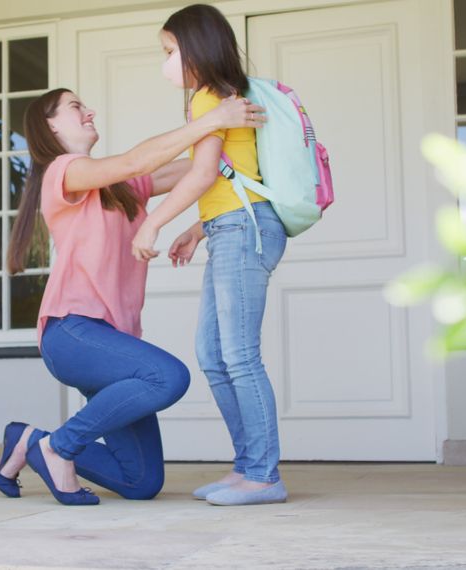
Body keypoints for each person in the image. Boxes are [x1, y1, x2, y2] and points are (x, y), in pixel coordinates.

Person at [0, 86, 265, 505]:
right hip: (72, 332)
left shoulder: (122, 187)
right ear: (50, 125)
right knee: (168, 377)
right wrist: (211, 119)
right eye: (76, 107)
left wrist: (228, 124)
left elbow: (201, 168)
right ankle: (58, 447)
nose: (90, 111)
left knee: (140, 482)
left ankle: (31, 441)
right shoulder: (62, 172)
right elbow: (136, 160)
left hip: (112, 341)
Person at [131, 3, 289, 506]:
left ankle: (263, 474)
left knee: (238, 355)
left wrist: (153, 222)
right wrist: (198, 230)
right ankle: (247, 467)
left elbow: (202, 175)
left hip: (242, 229)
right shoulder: (219, 98)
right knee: (213, 354)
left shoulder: (210, 99)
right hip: (230, 226)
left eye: (170, 50)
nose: (166, 61)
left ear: (195, 48)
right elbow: (235, 175)